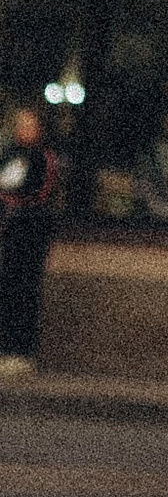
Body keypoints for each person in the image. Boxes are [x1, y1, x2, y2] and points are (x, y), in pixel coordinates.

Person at [0, 101, 62, 372]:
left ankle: (21, 351)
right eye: (20, 124)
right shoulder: (9, 154)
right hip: (9, 230)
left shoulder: (44, 157)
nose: (23, 129)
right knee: (6, 288)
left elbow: (41, 193)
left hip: (31, 231)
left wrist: (11, 200)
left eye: (29, 124)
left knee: (23, 289)